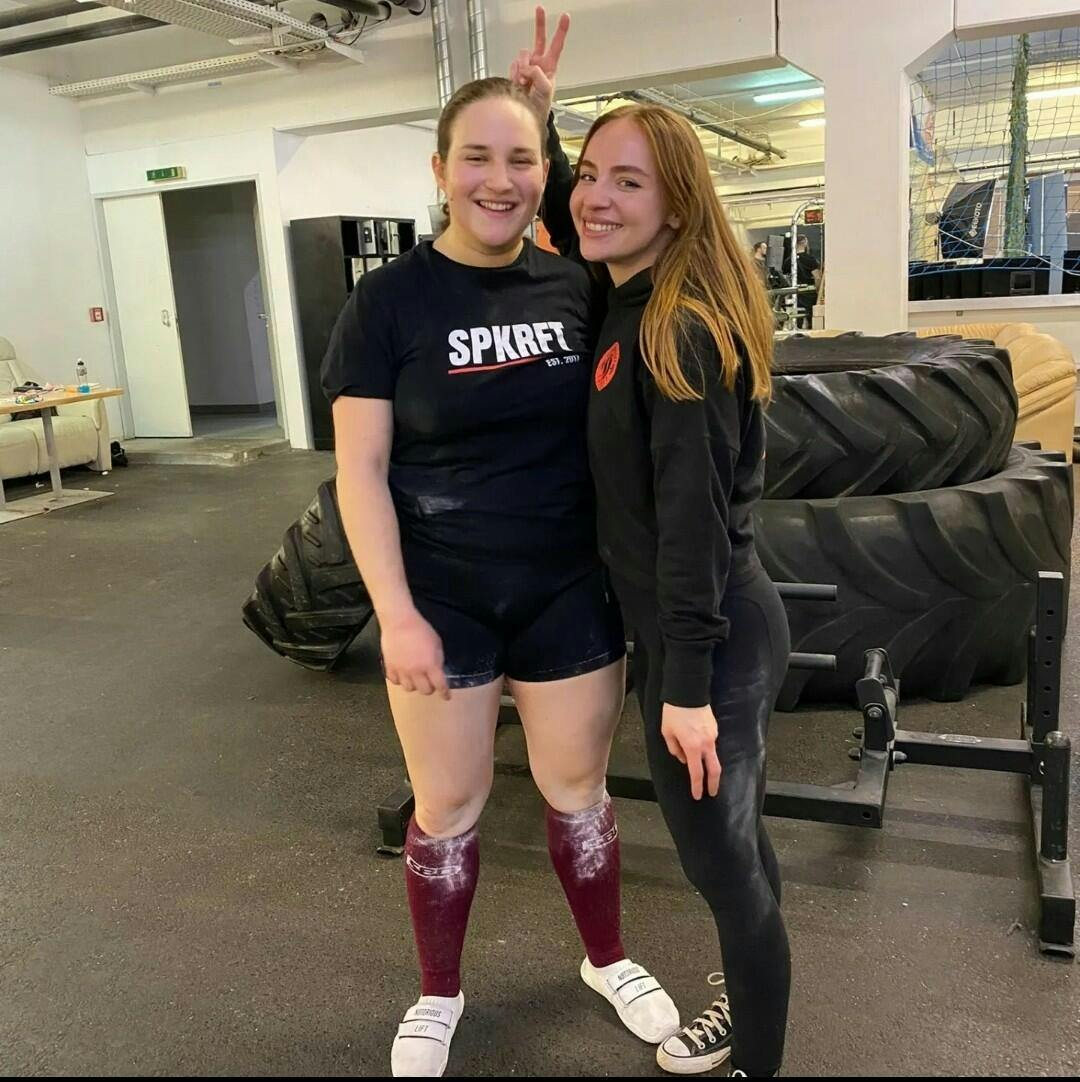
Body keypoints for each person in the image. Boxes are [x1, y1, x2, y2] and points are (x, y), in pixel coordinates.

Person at [322, 67, 678, 1078]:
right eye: (475, 156)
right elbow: (360, 471)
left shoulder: (579, 285)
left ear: (542, 172)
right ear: (439, 169)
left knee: (579, 790)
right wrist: (396, 614)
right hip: (442, 598)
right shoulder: (385, 303)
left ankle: (606, 959)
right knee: (448, 807)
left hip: (566, 589)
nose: (499, 178)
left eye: (521, 158)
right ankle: (439, 991)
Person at [514, 17, 791, 1078]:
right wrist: (541, 126)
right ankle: (749, 1019)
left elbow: (691, 524)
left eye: (628, 182)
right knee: (736, 846)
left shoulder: (677, 329)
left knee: (724, 865)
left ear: (676, 204)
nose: (596, 197)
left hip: (709, 637)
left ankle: (758, 1060)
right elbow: (574, 221)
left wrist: (686, 687)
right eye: (591, 175)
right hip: (692, 632)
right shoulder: (629, 296)